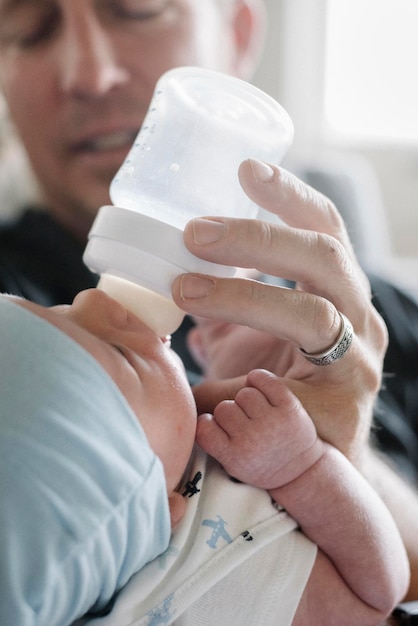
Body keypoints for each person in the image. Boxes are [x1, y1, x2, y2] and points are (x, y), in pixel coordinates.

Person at [0, 0, 416, 599]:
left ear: (238, 31)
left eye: (136, 10)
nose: (88, 74)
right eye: (28, 29)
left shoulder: (377, 312)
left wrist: (344, 451)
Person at [0, 290, 409, 626]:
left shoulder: (195, 448)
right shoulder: (200, 591)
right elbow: (375, 596)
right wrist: (301, 466)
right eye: (121, 355)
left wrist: (303, 457)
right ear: (156, 512)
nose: (93, 298)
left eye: (51, 309)